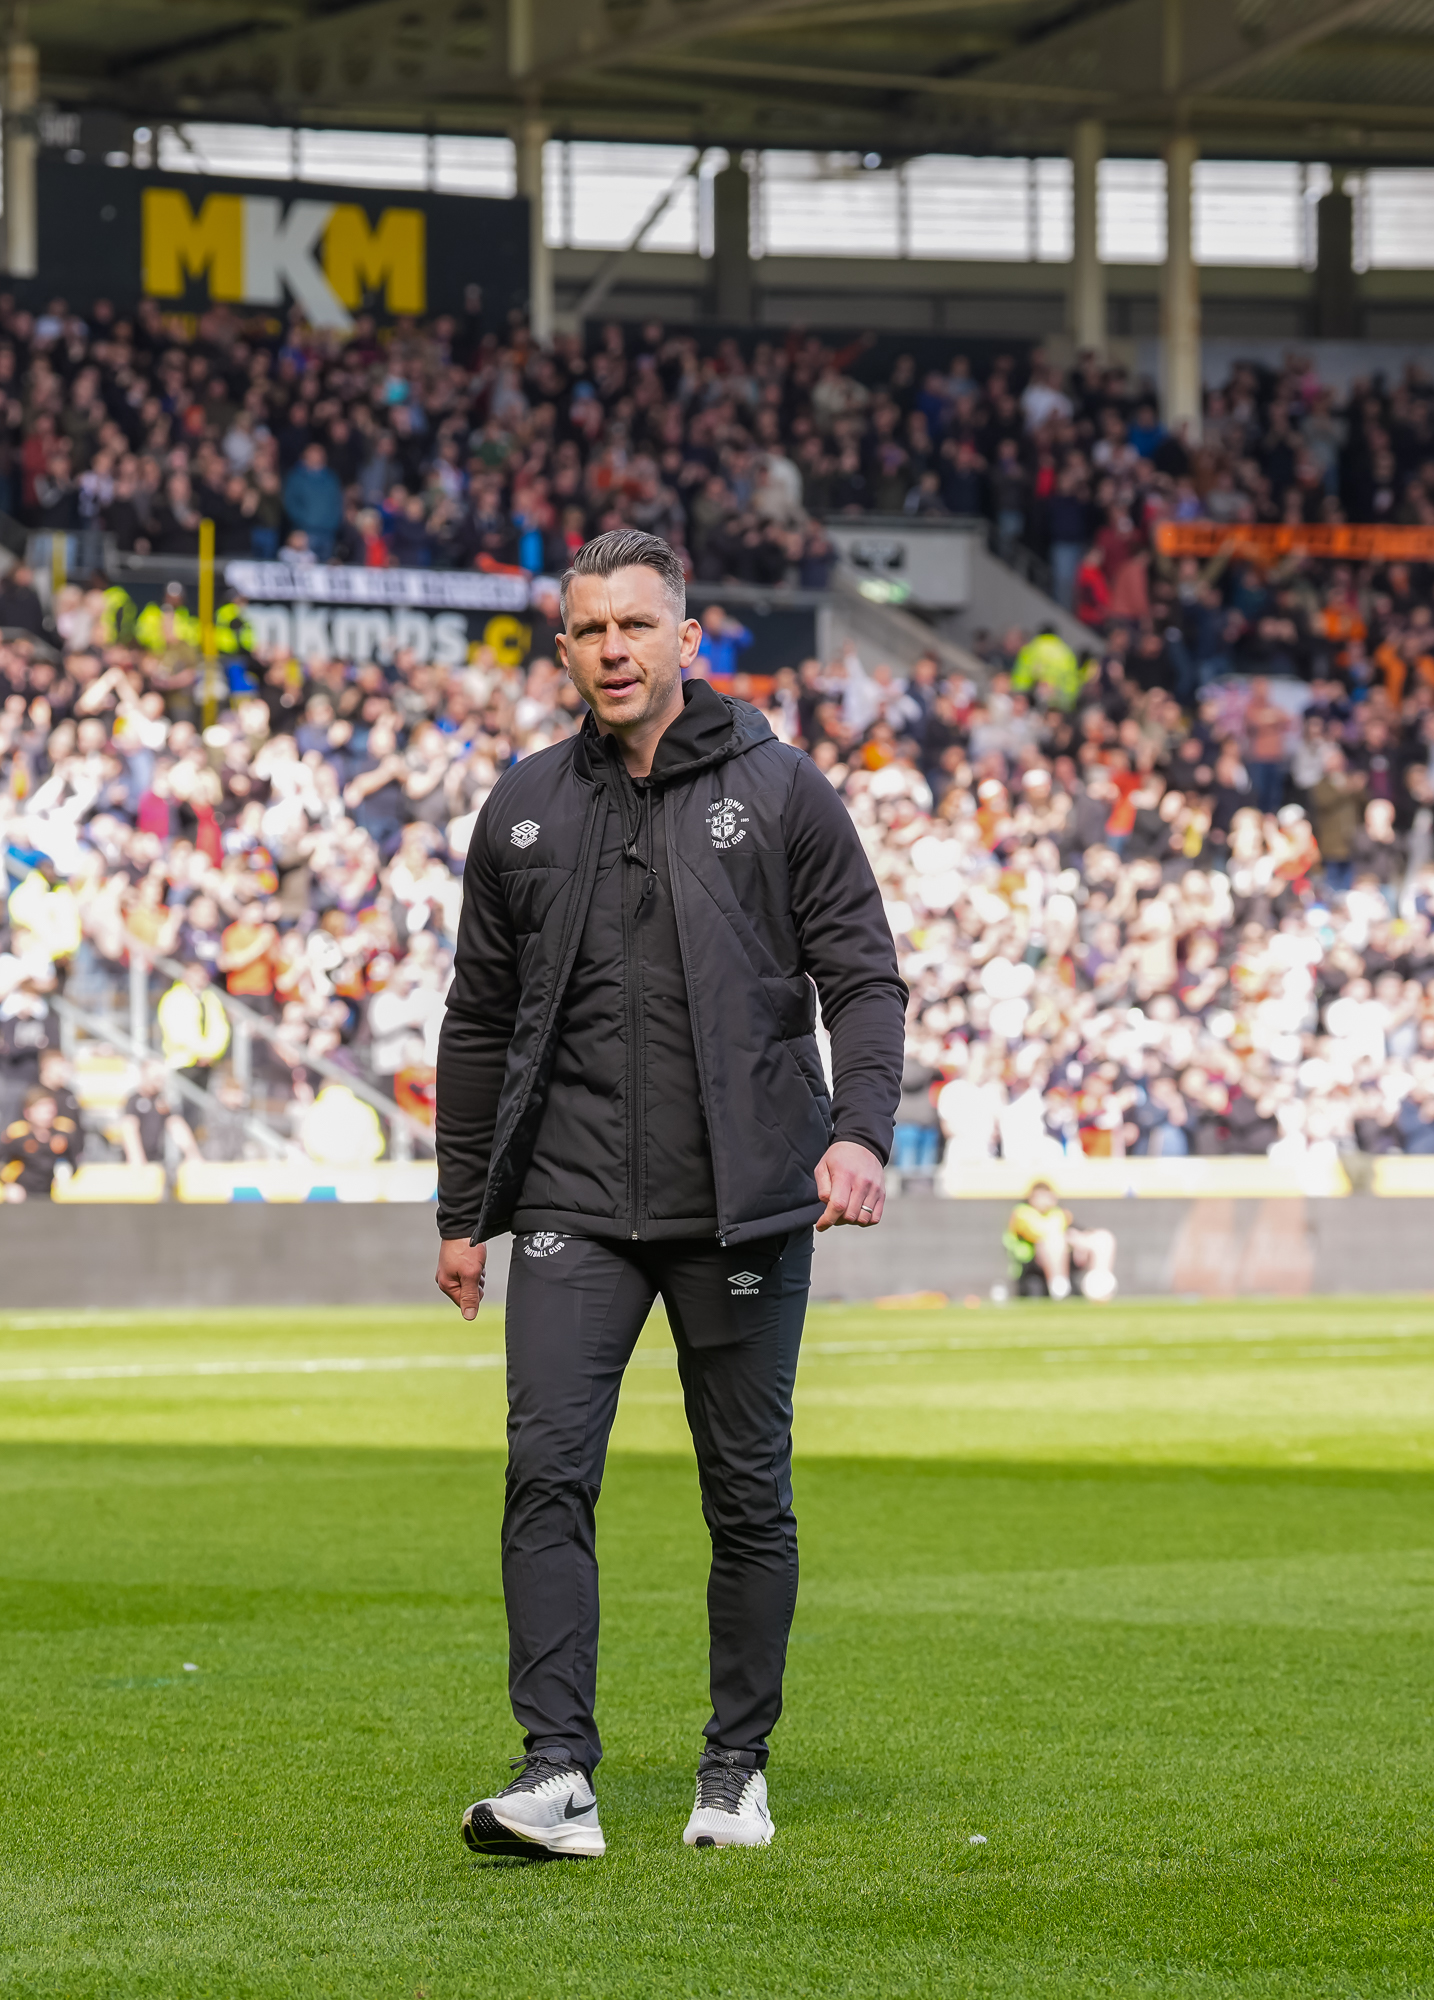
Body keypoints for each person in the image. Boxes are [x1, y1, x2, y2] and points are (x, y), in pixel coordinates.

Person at [434, 528, 905, 1860]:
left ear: (685, 638)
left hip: (744, 1206)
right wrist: (461, 1213)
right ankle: (557, 1775)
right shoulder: (522, 806)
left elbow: (864, 979)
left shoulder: (783, 790)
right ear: (566, 645)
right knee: (545, 1476)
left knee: (745, 1494)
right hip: (574, 1206)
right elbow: (476, 1021)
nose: (613, 650)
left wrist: (859, 1132)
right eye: (588, 630)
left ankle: (733, 1769)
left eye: (635, 626)